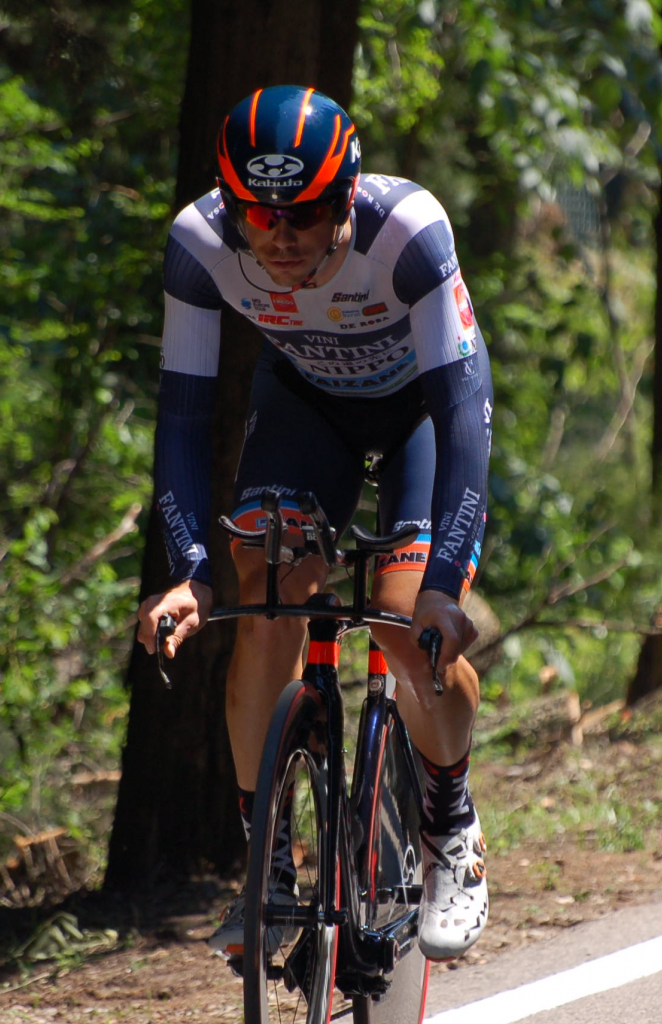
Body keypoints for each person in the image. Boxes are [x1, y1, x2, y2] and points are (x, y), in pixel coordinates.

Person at [135, 85, 491, 962]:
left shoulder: (407, 233)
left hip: (420, 413)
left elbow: (461, 413)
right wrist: (190, 571)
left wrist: (445, 585)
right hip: (306, 410)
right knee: (264, 589)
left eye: (308, 213)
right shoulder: (198, 244)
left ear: (348, 197)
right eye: (258, 215)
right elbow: (182, 416)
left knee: (408, 626)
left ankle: (451, 822)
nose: (281, 237)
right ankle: (268, 869)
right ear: (231, 205)